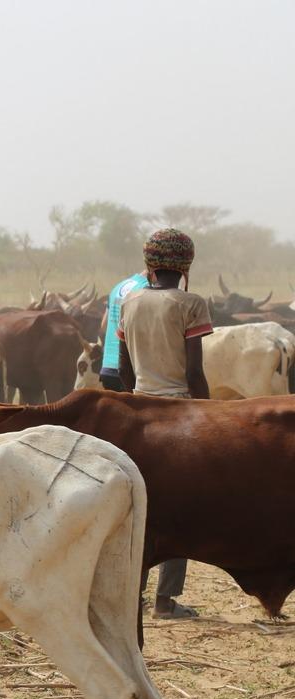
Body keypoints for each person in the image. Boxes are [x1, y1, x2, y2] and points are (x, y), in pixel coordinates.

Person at [118, 228, 212, 620]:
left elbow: (123, 368)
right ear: (185, 266)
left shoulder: (129, 302)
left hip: (140, 413)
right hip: (180, 416)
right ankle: (165, 600)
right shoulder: (192, 304)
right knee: (180, 509)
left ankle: (130, 595)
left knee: (139, 508)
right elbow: (194, 370)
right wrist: (210, 415)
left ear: (149, 265)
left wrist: (135, 401)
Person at [98, 271, 149, 391]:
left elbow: (103, 326)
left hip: (108, 369)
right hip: (130, 371)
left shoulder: (118, 286)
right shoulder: (147, 289)